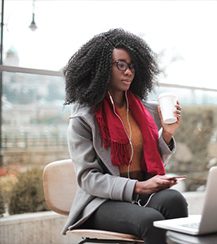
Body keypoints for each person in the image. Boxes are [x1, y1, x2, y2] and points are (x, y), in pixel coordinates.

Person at [62, 28, 188, 244]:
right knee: (151, 220)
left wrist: (167, 133)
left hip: (141, 194)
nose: (128, 71)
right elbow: (88, 179)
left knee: (175, 200)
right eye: (120, 64)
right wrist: (138, 187)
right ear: (101, 67)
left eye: (131, 66)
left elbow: (150, 160)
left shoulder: (144, 111)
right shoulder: (83, 119)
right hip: (101, 202)